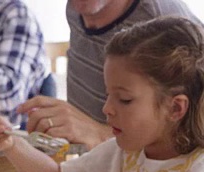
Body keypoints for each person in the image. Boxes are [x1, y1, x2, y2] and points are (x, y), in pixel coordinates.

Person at [0, 16, 204, 172]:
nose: (107, 109)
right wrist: (12, 145)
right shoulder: (121, 151)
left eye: (124, 99)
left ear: (175, 107)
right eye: (107, 95)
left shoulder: (199, 163)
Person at [19, 0, 201, 149]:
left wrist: (98, 133)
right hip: (91, 163)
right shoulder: (77, 9)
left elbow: (191, 132)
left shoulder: (161, 22)